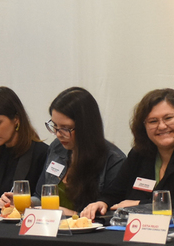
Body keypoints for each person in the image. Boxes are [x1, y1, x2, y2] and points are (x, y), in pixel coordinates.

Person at [82, 89, 174, 219]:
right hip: (135, 230)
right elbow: (115, 193)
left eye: (168, 118)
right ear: (144, 126)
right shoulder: (139, 154)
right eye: (153, 121)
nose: (162, 126)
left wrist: (139, 205)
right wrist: (102, 203)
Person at [30, 87, 126, 217]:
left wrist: (73, 214)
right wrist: (27, 202)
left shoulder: (114, 161)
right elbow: (39, 196)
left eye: (65, 128)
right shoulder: (56, 148)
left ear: (86, 127)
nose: (58, 134)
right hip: (50, 226)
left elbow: (112, 213)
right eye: (55, 126)